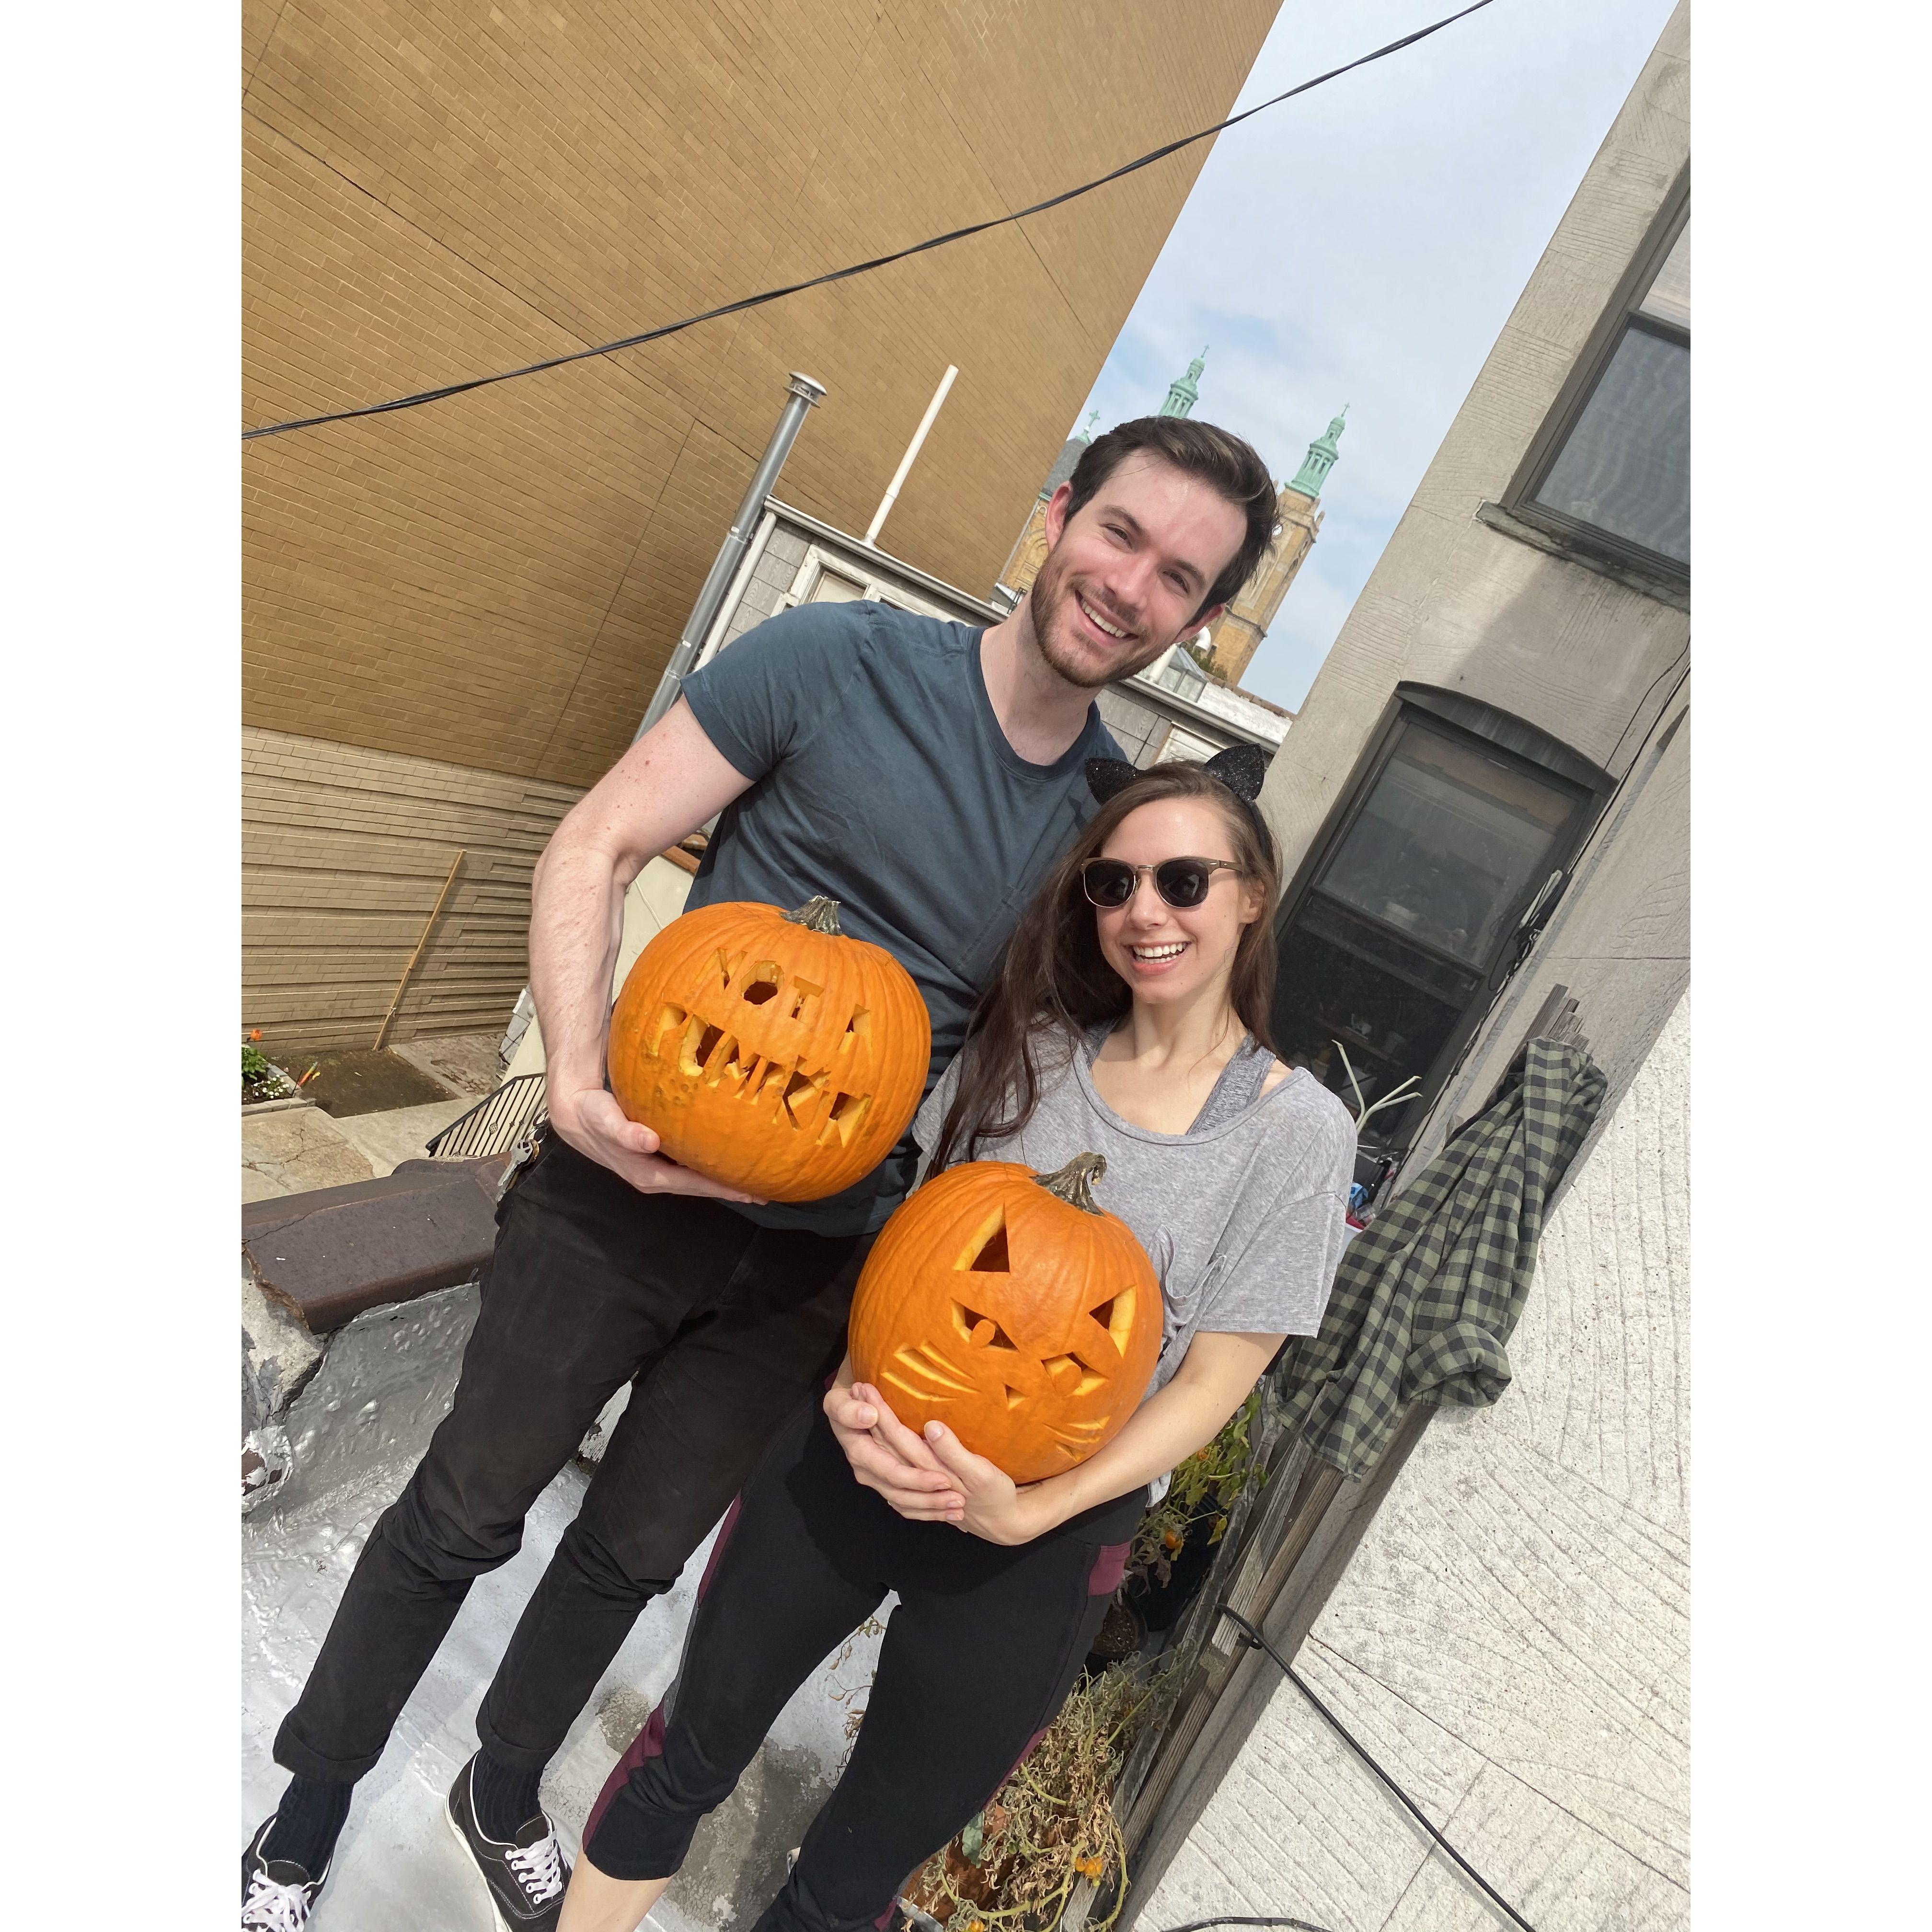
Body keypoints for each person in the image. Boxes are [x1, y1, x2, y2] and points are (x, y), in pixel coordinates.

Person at [242, 415, 1282, 1931]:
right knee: (465, 1511)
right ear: (1057, 511)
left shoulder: (1098, 836)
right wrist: (582, 1078)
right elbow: (597, 842)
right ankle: (310, 1804)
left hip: (817, 1268)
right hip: (626, 1196)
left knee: (631, 1555)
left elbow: (1098, 1060)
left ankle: (500, 1779)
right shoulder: (836, 663)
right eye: (1121, 534)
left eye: (1180, 577)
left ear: (1197, 620)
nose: (1132, 585)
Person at [557, 755, 1357, 1932]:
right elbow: (913, 1257)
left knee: (854, 1879)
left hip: (1039, 1540)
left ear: (1250, 896)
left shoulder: (1296, 1135)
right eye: (1114, 883)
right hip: (855, 1459)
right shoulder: (1029, 1049)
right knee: (691, 1753)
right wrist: (843, 1394)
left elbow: (1217, 1379)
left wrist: (1034, 1508)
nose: (1146, 911)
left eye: (1184, 880)